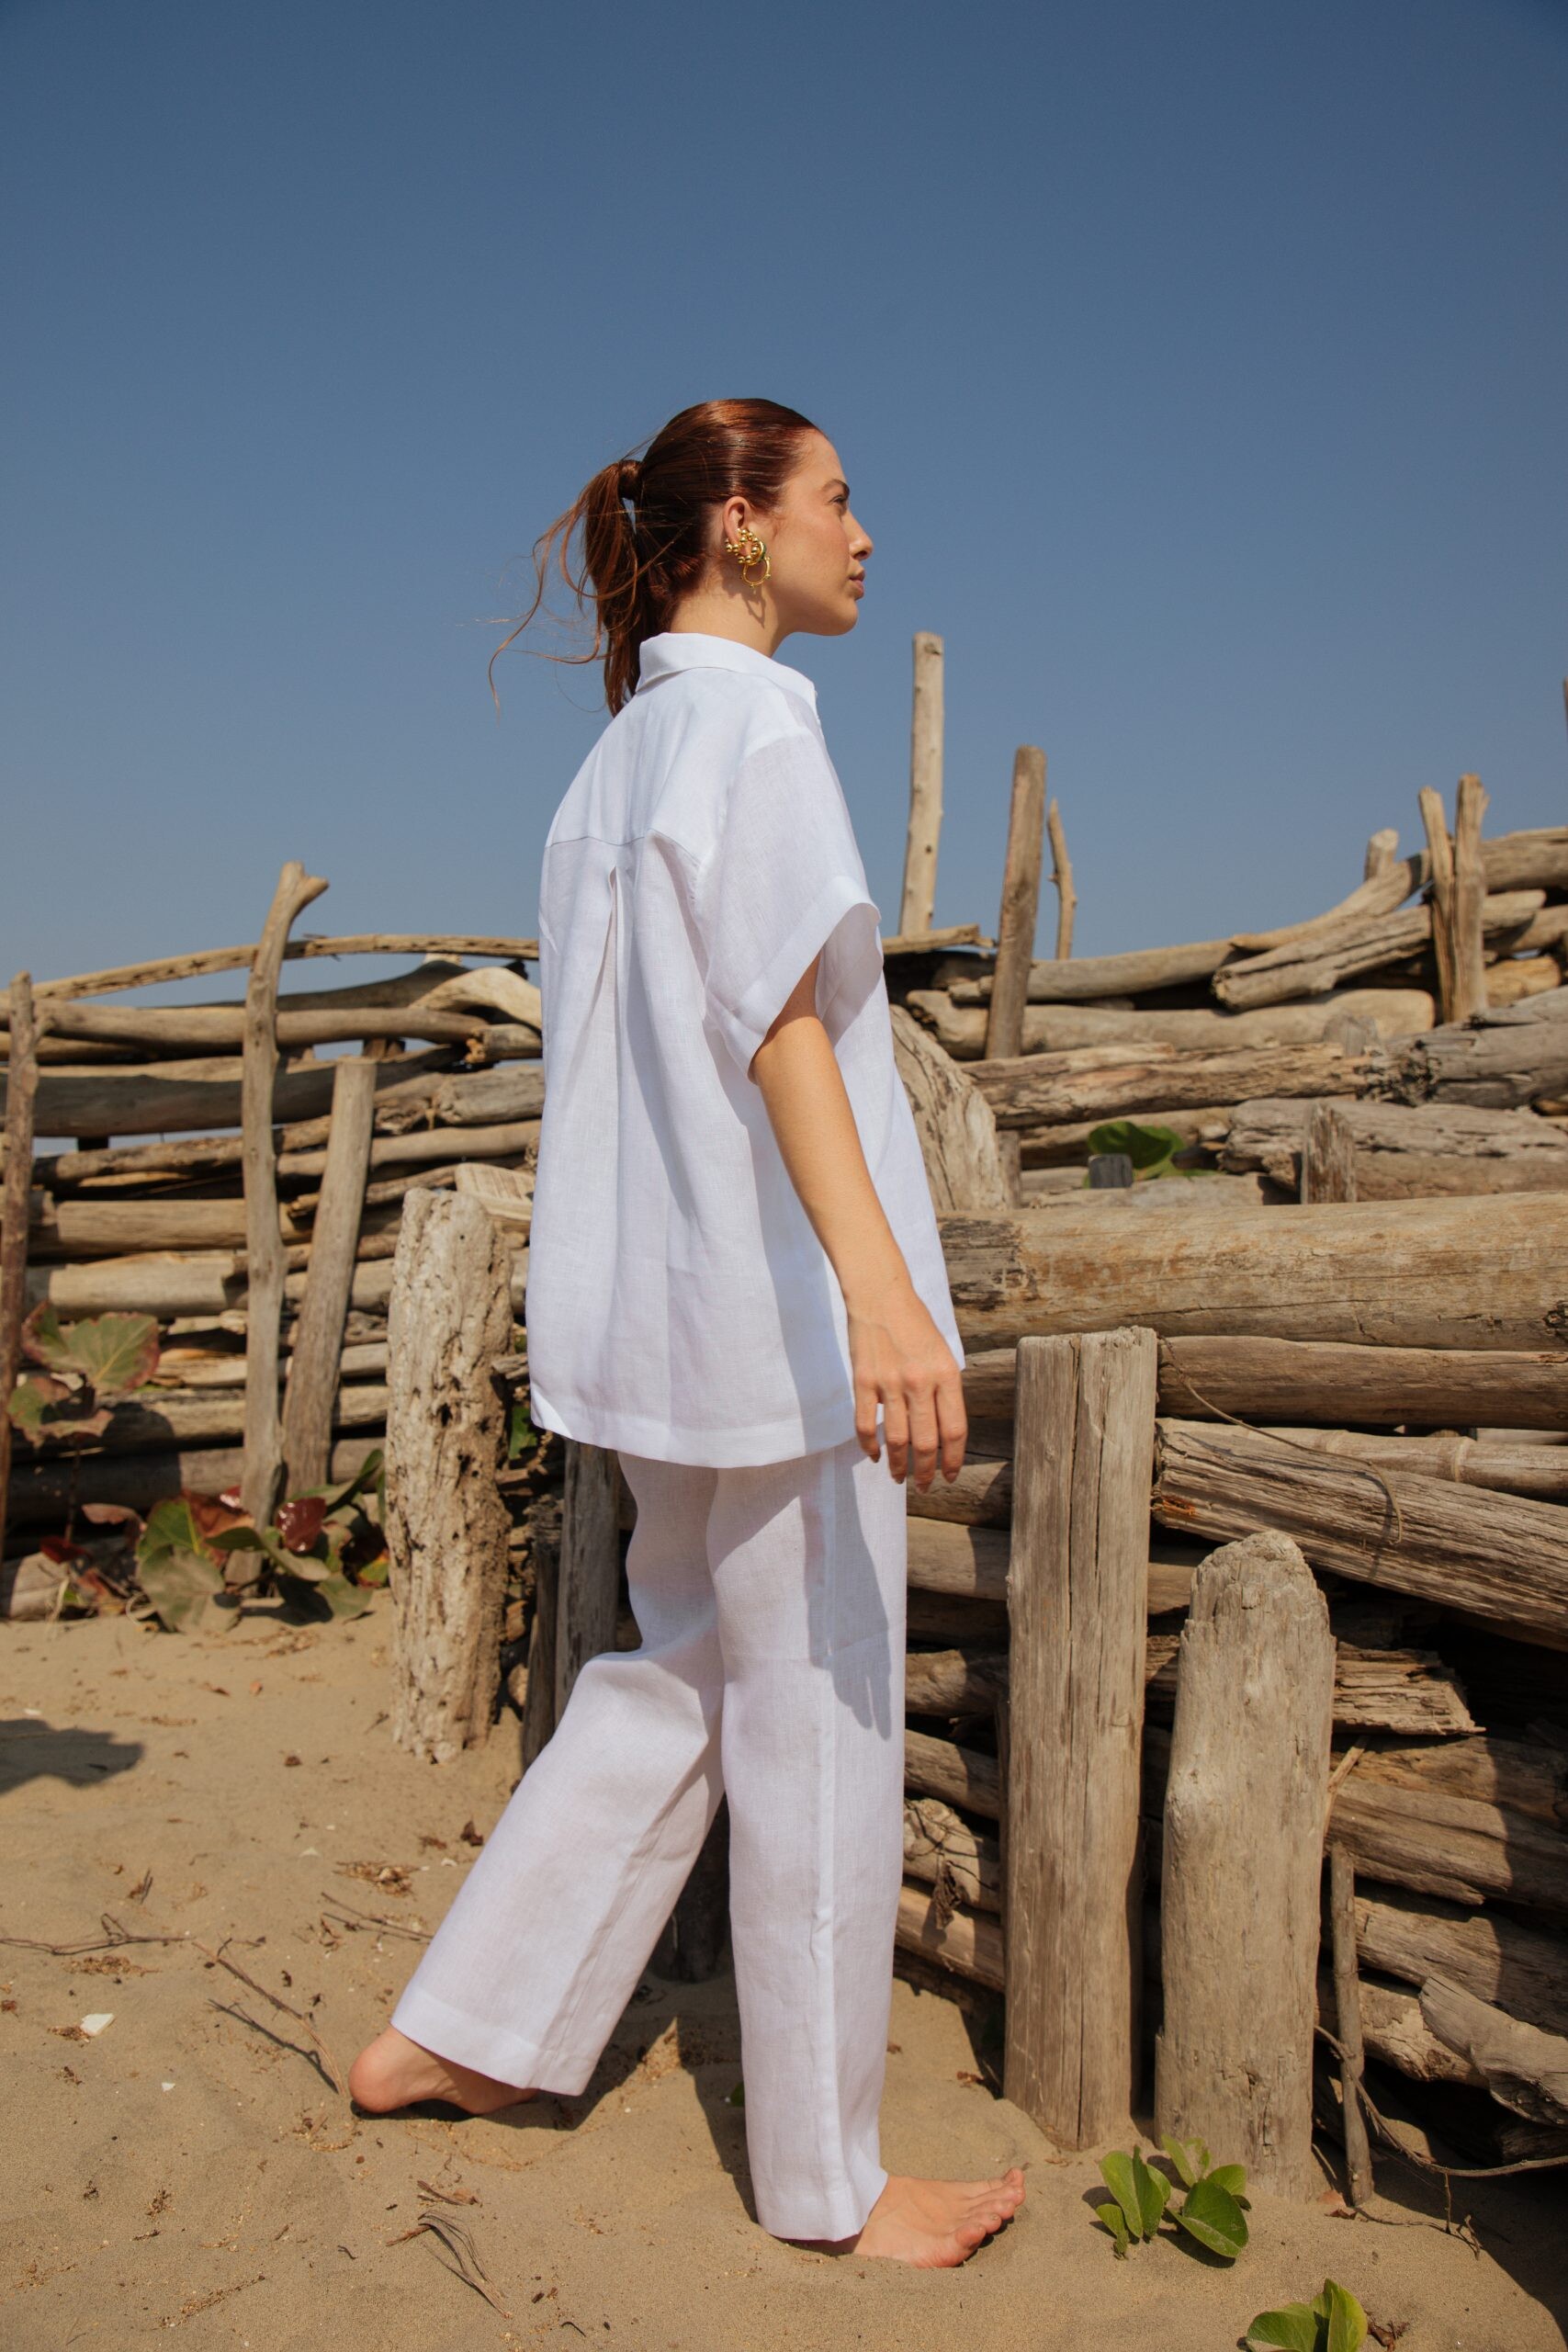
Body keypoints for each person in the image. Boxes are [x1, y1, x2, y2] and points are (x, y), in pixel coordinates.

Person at [350, 398, 1026, 2267]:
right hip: (776, 1325)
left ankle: (462, 2029)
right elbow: (781, 1027)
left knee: (677, 1680)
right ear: (738, 523)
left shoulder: (610, 765)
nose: (861, 534)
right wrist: (881, 1292)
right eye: (833, 498)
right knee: (817, 1717)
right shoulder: (754, 728)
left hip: (649, 1328)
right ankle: (827, 2181)